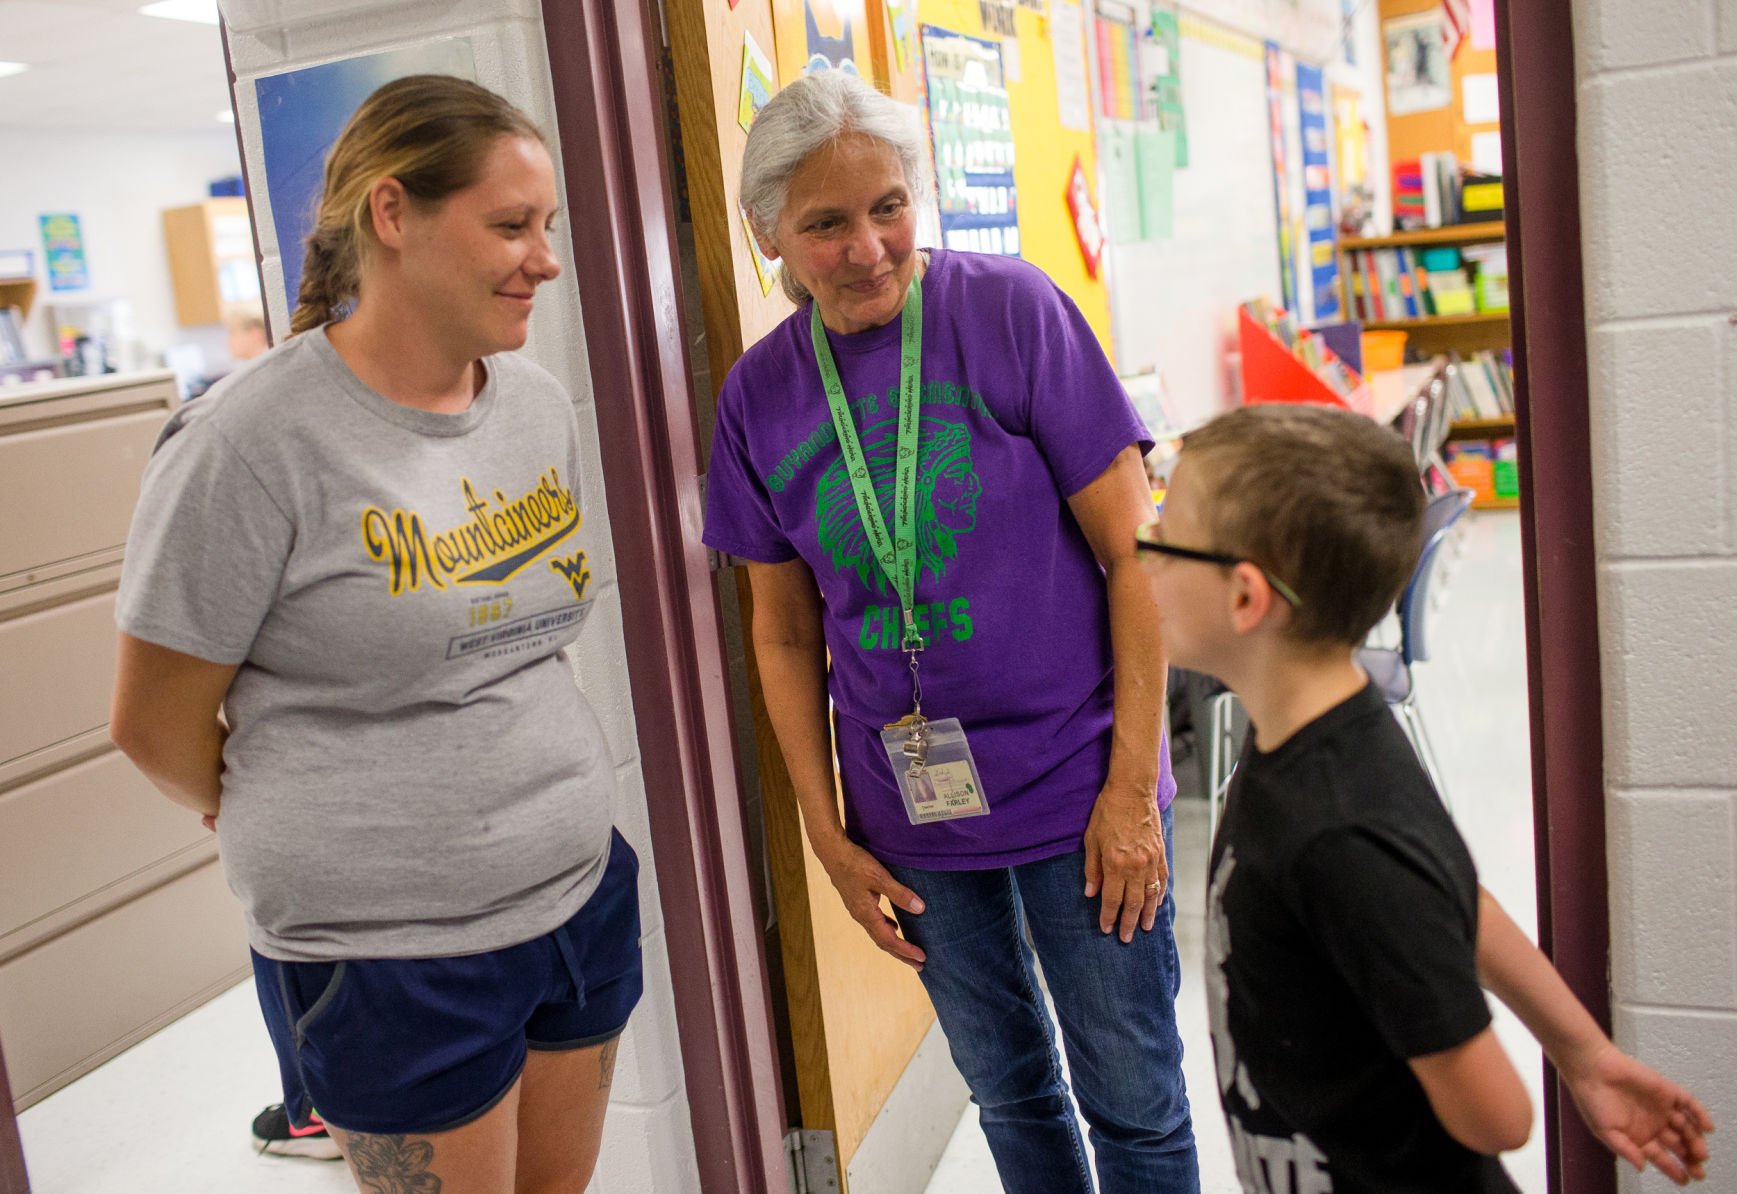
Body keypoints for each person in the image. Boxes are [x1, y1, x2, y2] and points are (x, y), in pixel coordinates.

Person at [110, 75, 640, 1193]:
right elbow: (154, 725)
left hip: (575, 888)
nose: (544, 258)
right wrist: (274, 801)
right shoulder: (249, 443)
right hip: (392, 950)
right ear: (392, 215)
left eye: (547, 228)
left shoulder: (534, 404)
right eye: (509, 225)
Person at [703, 70, 1198, 1192]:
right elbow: (781, 636)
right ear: (769, 232)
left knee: (1133, 1104)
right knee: (1010, 1093)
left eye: (888, 206)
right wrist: (827, 836)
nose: (869, 247)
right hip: (915, 816)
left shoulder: (1014, 312)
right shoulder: (759, 396)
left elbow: (1137, 557)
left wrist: (1132, 793)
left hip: (1082, 788)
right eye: (826, 224)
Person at [1137, 403, 1713, 1191]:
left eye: (1163, 542)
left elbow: (1501, 1117)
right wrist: (1585, 1054)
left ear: (1245, 598)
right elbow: (1449, 893)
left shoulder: (1336, 827)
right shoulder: (1325, 732)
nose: (1143, 562)